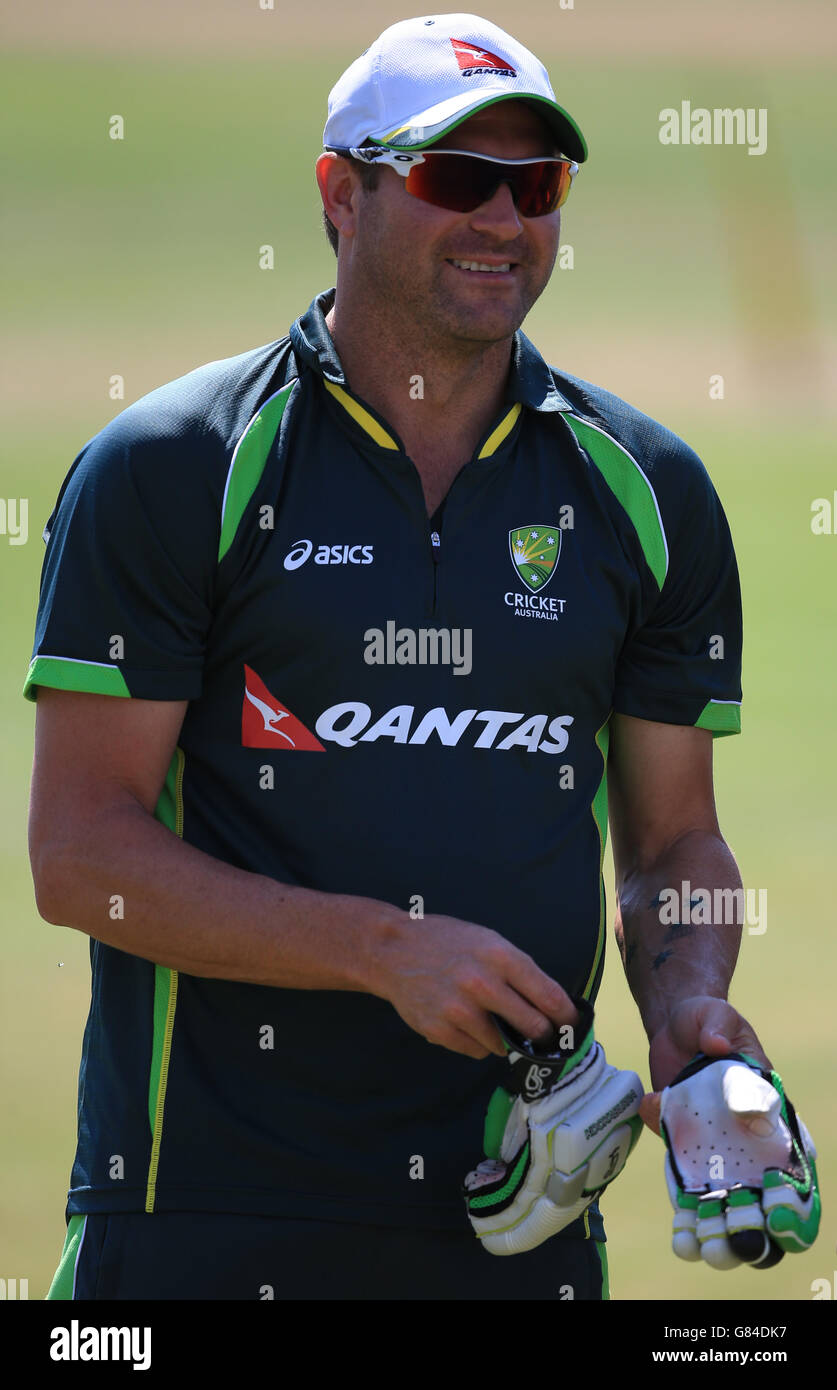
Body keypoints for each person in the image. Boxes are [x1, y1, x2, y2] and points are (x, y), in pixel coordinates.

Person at [26, 13, 815, 1301]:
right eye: (456, 177)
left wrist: (688, 1007)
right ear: (341, 193)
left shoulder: (647, 490)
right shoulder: (173, 471)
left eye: (536, 183)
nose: (503, 218)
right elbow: (80, 861)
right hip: (198, 1222)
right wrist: (383, 950)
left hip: (523, 1225)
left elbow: (675, 844)